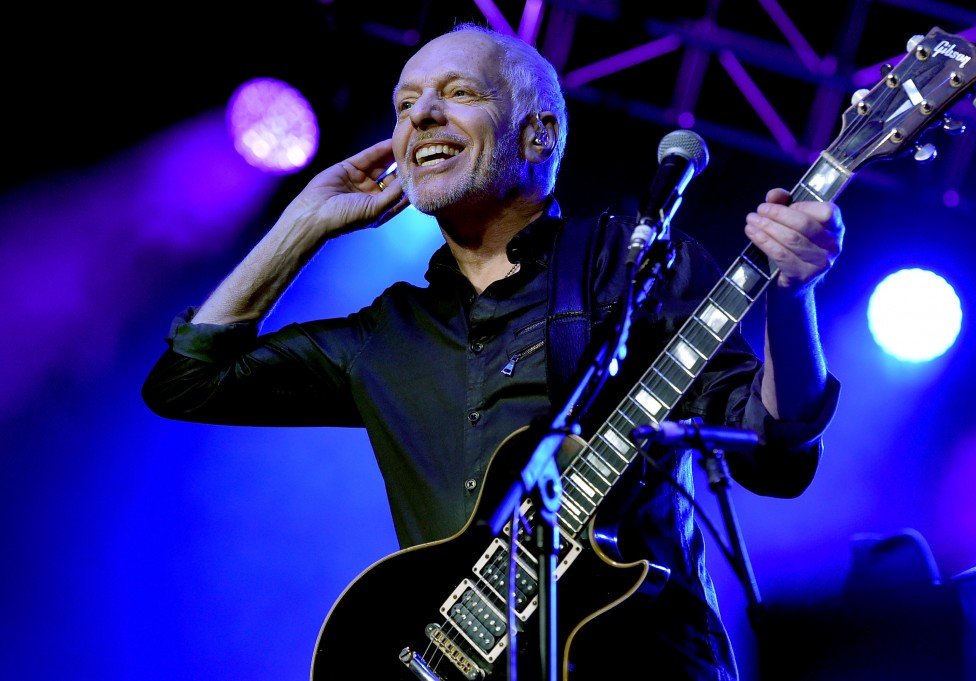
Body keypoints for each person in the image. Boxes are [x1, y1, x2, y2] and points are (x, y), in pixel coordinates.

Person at [142, 21, 843, 681]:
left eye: (458, 93)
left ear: (537, 134)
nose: (420, 117)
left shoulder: (630, 265)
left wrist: (792, 293)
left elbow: (776, 451)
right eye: (405, 103)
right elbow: (185, 383)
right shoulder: (387, 333)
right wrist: (303, 222)